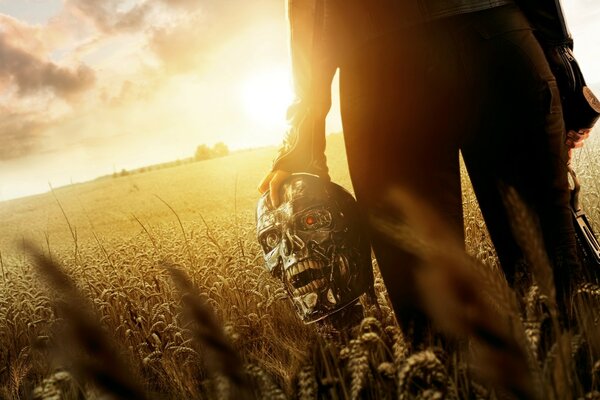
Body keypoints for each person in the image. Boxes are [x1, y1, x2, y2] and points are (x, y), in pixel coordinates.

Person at [258, 0, 592, 343]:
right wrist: (564, 67)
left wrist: (304, 133)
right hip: (502, 44)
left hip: (383, 72)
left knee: (434, 325)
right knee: (559, 291)